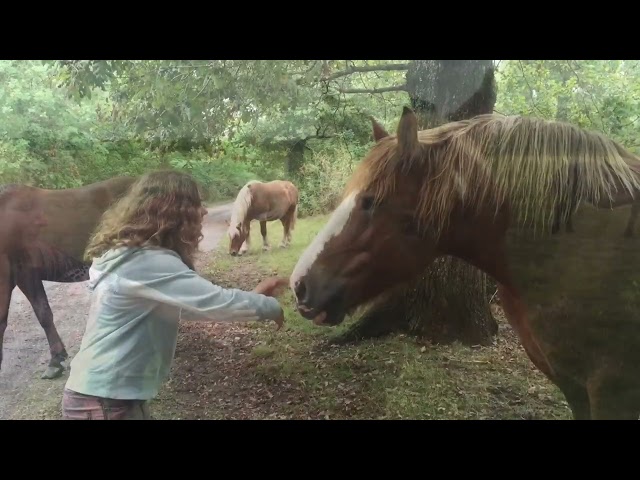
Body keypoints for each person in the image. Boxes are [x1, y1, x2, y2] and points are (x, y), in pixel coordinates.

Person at [61, 170, 288, 420]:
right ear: (173, 210)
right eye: (196, 204)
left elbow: (189, 306)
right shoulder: (147, 261)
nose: (204, 211)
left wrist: (253, 297)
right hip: (104, 401)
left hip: (104, 396)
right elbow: (215, 302)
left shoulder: (130, 255)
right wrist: (269, 307)